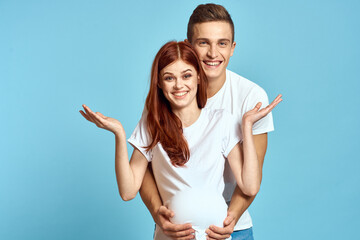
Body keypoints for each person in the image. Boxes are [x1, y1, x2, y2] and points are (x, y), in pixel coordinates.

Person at [80, 41, 282, 240]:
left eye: (186, 75)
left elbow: (250, 186)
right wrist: (119, 134)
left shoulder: (222, 121)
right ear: (158, 82)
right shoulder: (152, 124)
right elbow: (128, 191)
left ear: (198, 78)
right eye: (169, 77)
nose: (179, 85)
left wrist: (247, 126)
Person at [138, 4, 277, 240]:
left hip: (232, 228)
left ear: (232, 48)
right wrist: (156, 213)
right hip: (176, 231)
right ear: (188, 46)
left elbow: (253, 176)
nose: (213, 53)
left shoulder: (252, 97)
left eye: (222, 43)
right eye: (203, 43)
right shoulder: (168, 94)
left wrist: (227, 220)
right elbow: (144, 167)